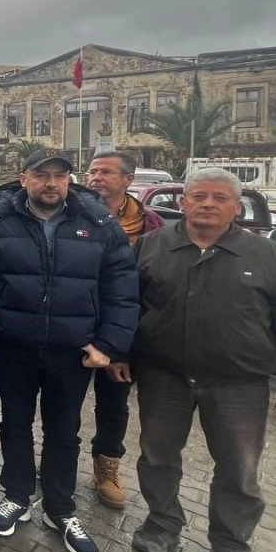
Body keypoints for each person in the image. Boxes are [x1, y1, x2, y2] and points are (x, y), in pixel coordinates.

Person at [128, 168, 276, 552]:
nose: (208, 204)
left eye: (220, 198)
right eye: (199, 196)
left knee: (239, 468)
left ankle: (232, 547)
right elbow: (126, 306)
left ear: (237, 208)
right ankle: (162, 522)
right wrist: (122, 354)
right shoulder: (152, 247)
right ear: (183, 203)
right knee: (158, 455)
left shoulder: (269, 257)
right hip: (165, 376)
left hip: (239, 383)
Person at [0, 150, 138, 552]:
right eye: (41, 175)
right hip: (13, 344)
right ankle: (17, 495)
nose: (51, 183)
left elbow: (122, 287)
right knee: (15, 423)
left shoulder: (98, 223)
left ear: (69, 179)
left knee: (64, 430)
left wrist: (108, 344)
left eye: (60, 175)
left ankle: (61, 508)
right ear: (24, 179)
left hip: (74, 351)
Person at [84, 152, 166, 509]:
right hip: (76, 326)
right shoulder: (73, 214)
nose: (96, 178)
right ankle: (56, 458)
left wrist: (124, 346)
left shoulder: (151, 226)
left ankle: (107, 467)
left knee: (114, 403)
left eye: (106, 172)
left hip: (123, 332)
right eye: (93, 171)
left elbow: (152, 286)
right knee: (62, 403)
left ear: (128, 180)